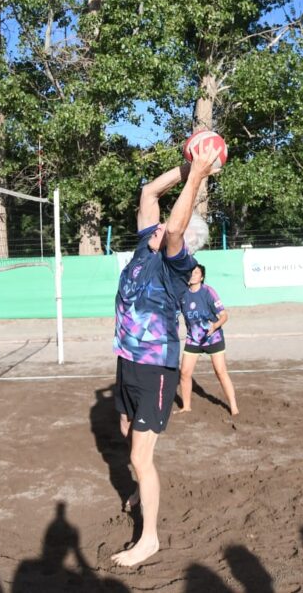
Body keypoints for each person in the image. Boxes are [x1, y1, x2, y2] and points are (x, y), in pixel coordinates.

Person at [110, 139, 221, 567]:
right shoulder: (143, 246)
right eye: (154, 228)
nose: (157, 228)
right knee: (125, 431)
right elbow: (148, 194)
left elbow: (174, 228)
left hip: (157, 368)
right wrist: (185, 163)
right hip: (127, 360)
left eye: (163, 229)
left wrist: (197, 177)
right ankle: (141, 487)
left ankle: (149, 538)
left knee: (141, 455)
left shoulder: (177, 264)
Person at [178, 264, 238, 416]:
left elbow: (224, 315)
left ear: (202, 277)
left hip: (213, 338)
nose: (192, 275)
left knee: (220, 371)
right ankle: (186, 406)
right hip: (193, 339)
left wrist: (215, 325)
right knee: (184, 373)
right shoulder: (183, 294)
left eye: (196, 272)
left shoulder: (208, 292)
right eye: (191, 272)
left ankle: (233, 406)